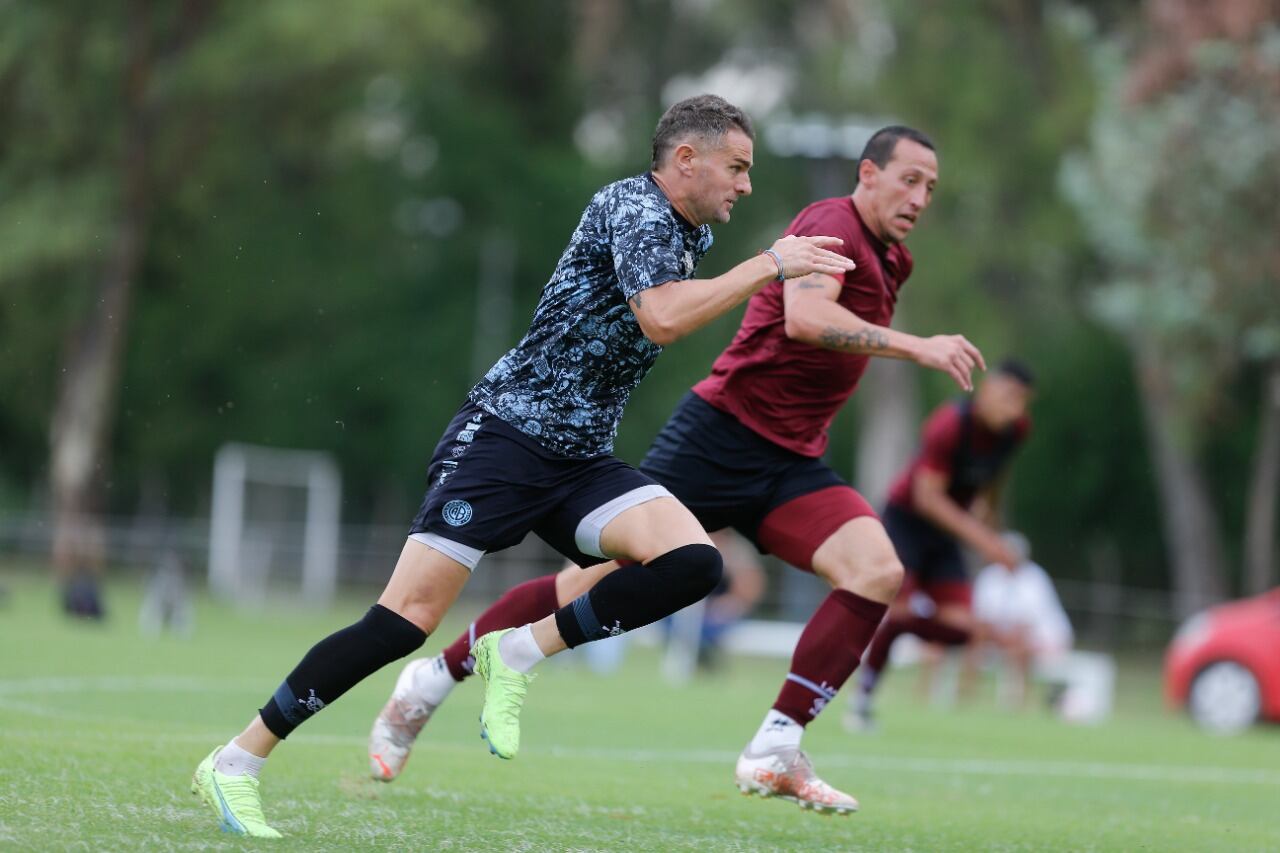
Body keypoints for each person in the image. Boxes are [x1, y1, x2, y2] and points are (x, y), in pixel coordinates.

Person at [190, 94, 858, 838]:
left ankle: (516, 650)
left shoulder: (687, 233)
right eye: (736, 168)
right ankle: (238, 759)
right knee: (402, 620)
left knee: (694, 561)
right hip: (505, 438)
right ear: (686, 160)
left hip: (578, 460)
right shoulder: (636, 207)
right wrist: (769, 265)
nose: (746, 185)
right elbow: (663, 317)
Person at [369, 125, 985, 815]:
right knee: (586, 584)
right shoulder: (830, 223)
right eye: (909, 179)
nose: (920, 196)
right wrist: (920, 346)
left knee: (877, 570)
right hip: (720, 438)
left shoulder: (893, 258)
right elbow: (807, 317)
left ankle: (776, 746)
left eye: (931, 186)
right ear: (868, 174)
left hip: (794, 459)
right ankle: (432, 679)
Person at [847, 360, 1034, 730]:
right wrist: (985, 540)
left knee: (966, 630)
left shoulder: (1016, 431)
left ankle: (898, 627)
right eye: (1008, 396)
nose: (1014, 408)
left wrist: (989, 529)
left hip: (946, 533)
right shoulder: (949, 424)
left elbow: (992, 481)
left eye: (1022, 401)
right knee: (897, 609)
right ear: (986, 388)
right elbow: (927, 498)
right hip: (907, 521)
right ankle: (863, 697)